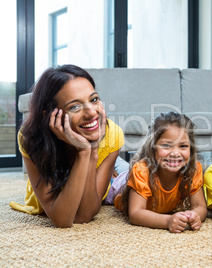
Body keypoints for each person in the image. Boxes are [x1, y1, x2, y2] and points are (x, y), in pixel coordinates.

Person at [9, 65, 126, 228]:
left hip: (103, 153)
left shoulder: (112, 133)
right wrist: (83, 151)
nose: (92, 113)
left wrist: (92, 151)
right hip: (68, 155)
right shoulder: (31, 138)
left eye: (94, 99)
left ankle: (115, 172)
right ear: (50, 114)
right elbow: (63, 219)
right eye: (74, 106)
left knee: (137, 178)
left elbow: (85, 215)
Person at [113, 111, 207, 233]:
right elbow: (135, 214)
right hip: (118, 185)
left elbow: (200, 207)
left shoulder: (193, 170)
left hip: (134, 172)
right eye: (167, 146)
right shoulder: (141, 171)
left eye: (183, 146)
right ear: (152, 148)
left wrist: (194, 215)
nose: (175, 153)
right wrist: (168, 221)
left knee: (124, 167)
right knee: (114, 175)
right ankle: (113, 161)